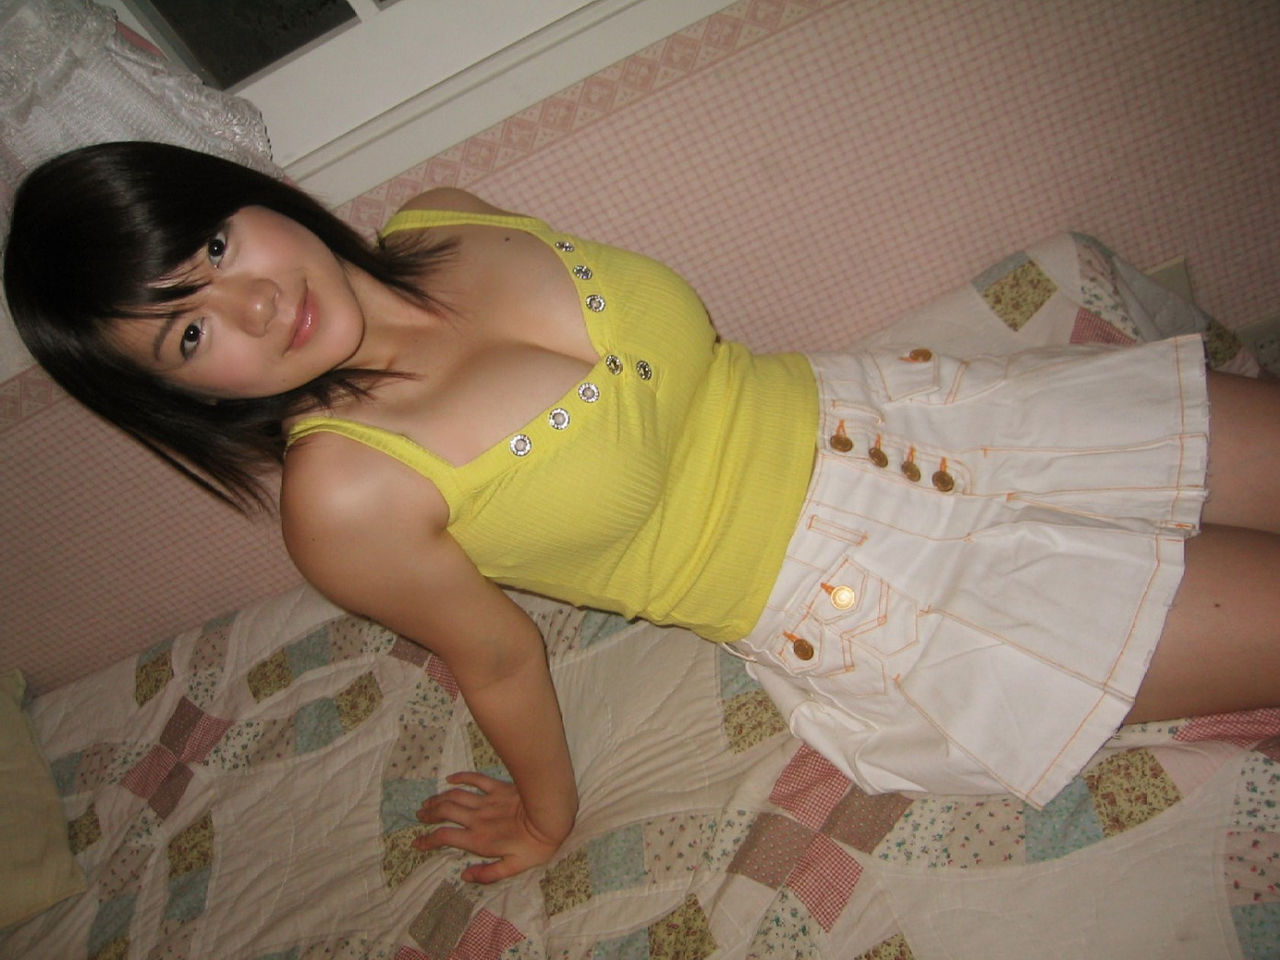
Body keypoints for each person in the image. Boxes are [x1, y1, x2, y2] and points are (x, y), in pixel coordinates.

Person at [5, 141, 1280, 884]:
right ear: (177, 395)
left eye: (213, 250)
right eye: (186, 334)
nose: (247, 307)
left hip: (917, 419)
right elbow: (497, 656)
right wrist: (544, 815)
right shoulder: (345, 494)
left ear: (246, 196)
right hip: (875, 595)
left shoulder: (444, 219)